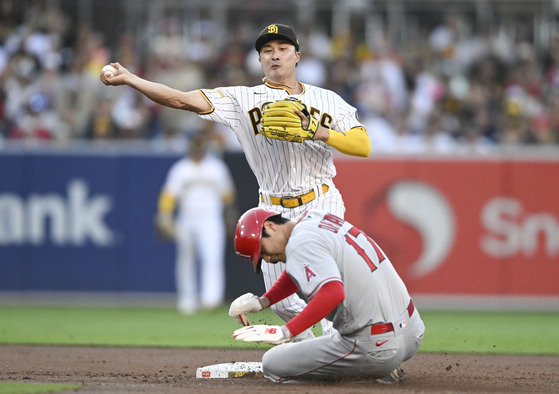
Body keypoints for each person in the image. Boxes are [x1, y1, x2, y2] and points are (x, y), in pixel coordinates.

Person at [101, 23, 371, 336]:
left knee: (324, 284)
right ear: (258, 60)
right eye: (267, 50)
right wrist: (132, 79)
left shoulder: (328, 100)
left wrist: (318, 131)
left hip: (321, 199)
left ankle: (356, 345)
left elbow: (363, 145)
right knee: (282, 303)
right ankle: (313, 350)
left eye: (282, 49)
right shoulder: (242, 99)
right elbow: (180, 99)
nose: (274, 56)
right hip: (271, 209)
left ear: (297, 56)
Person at [229, 207, 425, 384]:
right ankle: (379, 369)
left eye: (263, 251)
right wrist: (262, 301)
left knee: (272, 363)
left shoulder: (299, 244)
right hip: (412, 332)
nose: (268, 259)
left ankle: (369, 372)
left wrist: (284, 332)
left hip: (377, 348)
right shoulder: (315, 219)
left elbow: (333, 292)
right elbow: (299, 271)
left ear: (271, 226)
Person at [155, 131, 237, 314]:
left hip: (211, 218)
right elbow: (169, 195)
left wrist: (229, 216)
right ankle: (187, 300)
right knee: (186, 259)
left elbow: (227, 195)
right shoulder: (181, 168)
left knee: (212, 258)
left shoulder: (216, 167)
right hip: (187, 218)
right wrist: (164, 215)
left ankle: (211, 298)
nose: (198, 150)